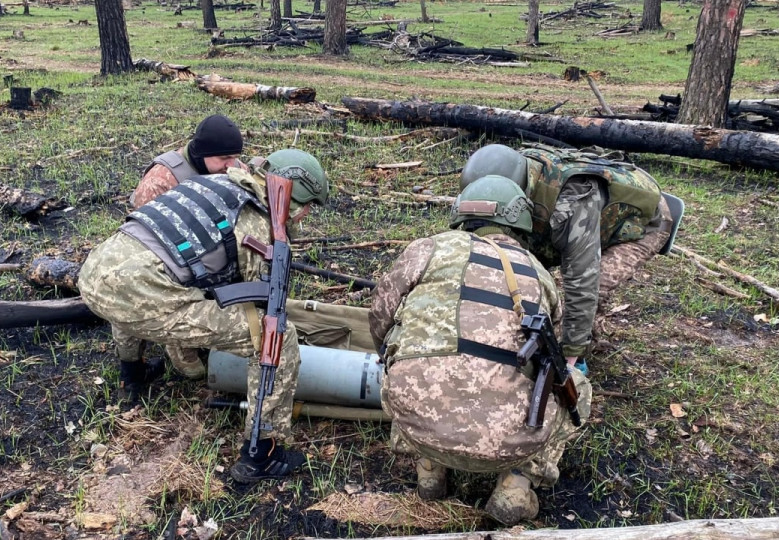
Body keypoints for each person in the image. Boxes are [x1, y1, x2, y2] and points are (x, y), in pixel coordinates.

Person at [78, 151, 329, 483]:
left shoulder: (218, 182)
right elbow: (258, 299)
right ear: (294, 197)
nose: (307, 213)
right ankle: (262, 453)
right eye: (309, 204)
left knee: (136, 289)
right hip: (140, 295)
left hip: (98, 270)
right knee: (276, 340)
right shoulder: (255, 221)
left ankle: (133, 374)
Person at [370, 175, 591, 525]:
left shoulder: (428, 249)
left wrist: (396, 350)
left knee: (404, 357)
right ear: (519, 222)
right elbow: (554, 360)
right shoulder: (541, 277)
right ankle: (516, 487)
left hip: (417, 424)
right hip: (510, 442)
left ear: (462, 213)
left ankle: (429, 470)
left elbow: (380, 317)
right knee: (578, 386)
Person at [461, 143, 674, 372]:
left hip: (639, 224)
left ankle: (580, 350)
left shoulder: (573, 202)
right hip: (568, 214)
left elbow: (583, 281)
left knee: (596, 284)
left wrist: (568, 361)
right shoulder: (496, 177)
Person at [131, 114, 246, 209]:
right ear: (203, 153)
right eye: (224, 158)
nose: (230, 165)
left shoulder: (237, 169)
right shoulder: (159, 182)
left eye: (235, 157)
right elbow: (143, 230)